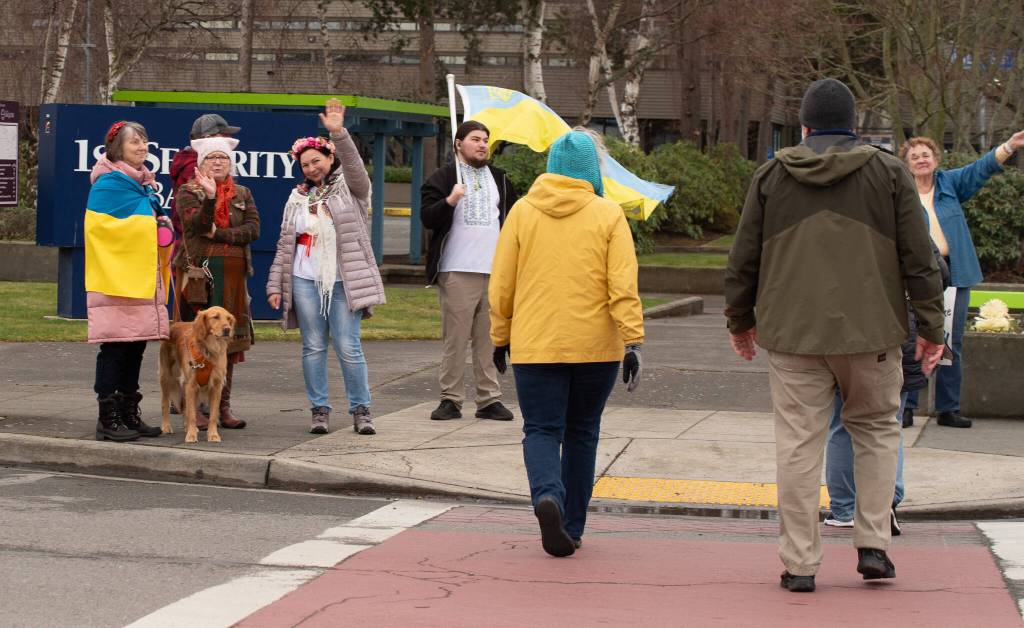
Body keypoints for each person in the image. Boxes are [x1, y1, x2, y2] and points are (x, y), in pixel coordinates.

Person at [725, 78, 946, 593]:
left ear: (804, 127)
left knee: (799, 445)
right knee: (875, 431)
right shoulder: (889, 172)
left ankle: (800, 564)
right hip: (872, 334)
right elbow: (920, 259)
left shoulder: (772, 175)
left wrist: (740, 322)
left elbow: (743, 260)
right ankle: (873, 546)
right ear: (854, 126)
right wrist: (932, 328)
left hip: (792, 336)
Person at [489, 129, 644, 557]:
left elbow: (503, 282)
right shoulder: (608, 214)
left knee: (540, 428)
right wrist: (633, 340)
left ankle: (546, 496)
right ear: (592, 171)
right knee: (582, 432)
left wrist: (499, 335)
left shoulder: (522, 212)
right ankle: (571, 525)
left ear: (551, 168)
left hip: (535, 344)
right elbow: (622, 285)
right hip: (597, 347)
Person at [266, 98, 385, 436]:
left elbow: (357, 170)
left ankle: (361, 410)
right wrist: (275, 284)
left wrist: (339, 133)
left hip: (342, 281)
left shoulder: (352, 190)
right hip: (304, 279)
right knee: (313, 346)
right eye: (304, 165)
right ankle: (319, 410)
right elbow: (284, 246)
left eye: (316, 161)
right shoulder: (297, 198)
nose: (311, 168)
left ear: (330, 158)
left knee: (348, 346)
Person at [899, 130, 1024, 428]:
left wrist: (1009, 146)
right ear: (906, 163)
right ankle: (907, 405)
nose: (920, 160)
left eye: (925, 155)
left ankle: (948, 408)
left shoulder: (950, 183)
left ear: (935, 159)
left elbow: (980, 169)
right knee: (913, 338)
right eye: (914, 156)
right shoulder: (901, 191)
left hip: (953, 273)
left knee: (951, 341)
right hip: (916, 276)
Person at [826, 252, 951, 533]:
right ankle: (886, 504)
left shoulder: (835, 220)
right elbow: (939, 272)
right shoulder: (903, 216)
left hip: (841, 330)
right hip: (896, 331)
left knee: (841, 425)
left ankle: (845, 507)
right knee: (888, 425)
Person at [420, 121, 518, 422]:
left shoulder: (500, 179)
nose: (483, 145)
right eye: (475, 139)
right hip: (457, 269)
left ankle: (489, 399)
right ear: (458, 144)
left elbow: (514, 221)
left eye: (486, 140)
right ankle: (451, 398)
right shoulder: (444, 177)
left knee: (489, 338)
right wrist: (450, 200)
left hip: (494, 270)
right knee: (456, 339)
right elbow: (427, 218)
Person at [84, 121, 170, 441]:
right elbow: (102, 229)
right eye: (134, 142)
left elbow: (144, 220)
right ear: (117, 148)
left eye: (145, 140)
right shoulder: (108, 184)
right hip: (115, 281)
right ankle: (107, 419)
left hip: (137, 281)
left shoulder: (140, 184)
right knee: (115, 348)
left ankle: (128, 412)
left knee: (135, 347)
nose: (142, 146)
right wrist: (152, 221)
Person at [173, 135, 260, 431]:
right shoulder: (188, 192)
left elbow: (253, 230)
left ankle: (221, 406)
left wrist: (220, 234)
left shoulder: (243, 192)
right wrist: (210, 199)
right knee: (196, 341)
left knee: (228, 342)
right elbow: (196, 226)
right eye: (212, 157)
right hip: (199, 277)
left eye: (223, 157)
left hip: (234, 279)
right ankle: (192, 406)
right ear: (201, 163)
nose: (218, 161)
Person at [169, 114, 241, 236]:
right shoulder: (194, 169)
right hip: (197, 247)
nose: (229, 138)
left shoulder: (191, 162)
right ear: (207, 137)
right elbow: (199, 221)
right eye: (224, 134)